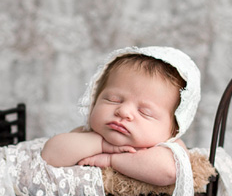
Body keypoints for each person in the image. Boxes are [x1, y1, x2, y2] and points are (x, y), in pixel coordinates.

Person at [41, 46, 201, 187]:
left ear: (175, 128)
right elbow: (50, 155)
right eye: (113, 100)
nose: (123, 112)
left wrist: (111, 160)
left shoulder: (169, 148)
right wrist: (102, 145)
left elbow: (169, 171)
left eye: (144, 112)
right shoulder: (87, 134)